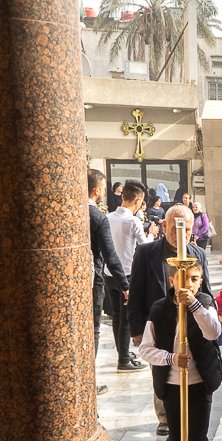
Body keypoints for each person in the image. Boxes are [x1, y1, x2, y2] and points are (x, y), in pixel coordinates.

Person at [138, 262, 222, 441]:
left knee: (198, 440)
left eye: (194, 279)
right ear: (172, 281)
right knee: (177, 440)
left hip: (199, 382)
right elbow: (145, 349)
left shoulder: (205, 303)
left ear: (200, 281)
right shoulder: (159, 309)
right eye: (183, 279)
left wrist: (193, 304)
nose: (189, 284)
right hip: (172, 383)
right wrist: (171, 358)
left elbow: (213, 332)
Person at [129, 205, 213, 435]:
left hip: (191, 323)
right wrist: (136, 328)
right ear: (164, 226)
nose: (182, 234)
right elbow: (136, 292)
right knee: (161, 370)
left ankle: (191, 409)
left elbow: (206, 291)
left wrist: (210, 320)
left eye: (187, 229)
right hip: (159, 323)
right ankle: (165, 416)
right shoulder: (146, 253)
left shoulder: (198, 254)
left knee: (190, 367)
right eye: (176, 228)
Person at [107, 179, 157, 371]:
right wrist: (152, 234)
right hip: (126, 275)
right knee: (126, 319)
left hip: (109, 274)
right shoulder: (133, 221)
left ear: (122, 196)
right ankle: (123, 360)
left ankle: (124, 353)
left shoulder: (108, 217)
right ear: (138, 200)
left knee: (116, 317)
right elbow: (145, 247)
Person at [87, 168, 129, 395]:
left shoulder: (69, 211)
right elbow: (110, 256)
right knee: (92, 330)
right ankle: (87, 382)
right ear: (96, 190)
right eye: (103, 188)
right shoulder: (97, 217)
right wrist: (125, 285)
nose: (104, 192)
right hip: (93, 278)